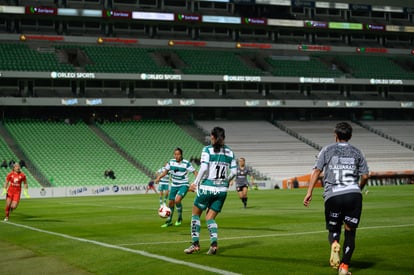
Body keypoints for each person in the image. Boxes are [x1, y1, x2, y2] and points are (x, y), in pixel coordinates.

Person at [303, 122, 369, 275]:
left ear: (336, 135)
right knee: (350, 232)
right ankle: (344, 267)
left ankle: (334, 242)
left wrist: (309, 192)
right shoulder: (357, 152)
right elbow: (365, 175)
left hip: (333, 195)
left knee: (334, 228)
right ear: (350, 136)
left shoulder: (327, 150)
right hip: (353, 193)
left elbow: (316, 171)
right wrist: (359, 187)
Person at [184, 126, 237, 255]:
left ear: (212, 137)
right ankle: (213, 245)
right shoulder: (230, 152)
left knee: (195, 214)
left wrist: (195, 183)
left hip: (207, 187)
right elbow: (234, 171)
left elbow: (203, 168)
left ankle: (195, 244)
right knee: (210, 218)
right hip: (222, 191)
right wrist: (225, 180)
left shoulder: (207, 149)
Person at [155, 147, 198, 227]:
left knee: (177, 200)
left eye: (178, 154)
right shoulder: (171, 162)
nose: (176, 156)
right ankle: (169, 221)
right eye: (175, 154)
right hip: (174, 185)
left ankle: (179, 218)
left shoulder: (186, 163)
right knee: (171, 203)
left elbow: (195, 172)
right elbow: (165, 172)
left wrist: (197, 182)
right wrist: (158, 178)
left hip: (184, 184)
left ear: (181, 155)